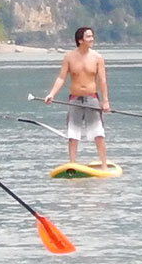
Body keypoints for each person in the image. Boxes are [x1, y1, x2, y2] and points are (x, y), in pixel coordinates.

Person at [42, 26, 112, 167]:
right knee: (73, 134)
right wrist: (51, 94)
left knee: (98, 133)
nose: (91, 39)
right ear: (80, 40)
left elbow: (102, 80)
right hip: (74, 100)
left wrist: (105, 101)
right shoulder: (69, 57)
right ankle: (72, 163)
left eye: (92, 36)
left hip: (92, 99)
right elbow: (61, 78)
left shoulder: (97, 58)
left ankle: (104, 164)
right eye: (88, 37)